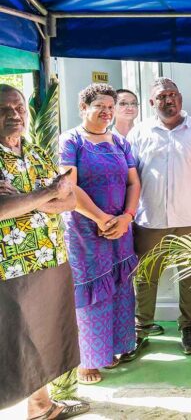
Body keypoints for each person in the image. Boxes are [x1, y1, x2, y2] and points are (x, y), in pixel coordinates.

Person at [0, 84, 88, 418]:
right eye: (4, 109)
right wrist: (46, 193)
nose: (14, 115)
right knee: (16, 339)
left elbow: (69, 200)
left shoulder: (36, 152)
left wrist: (25, 199)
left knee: (44, 334)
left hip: (49, 256)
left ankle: (41, 405)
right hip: (10, 266)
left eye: (18, 108)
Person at [128, 77, 191, 355]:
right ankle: (140, 327)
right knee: (145, 277)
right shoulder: (139, 132)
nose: (168, 101)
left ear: (180, 97)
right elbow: (129, 177)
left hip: (190, 218)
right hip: (149, 219)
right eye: (162, 96)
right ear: (152, 102)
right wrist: (129, 213)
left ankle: (188, 326)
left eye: (172, 95)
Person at [59, 84, 141, 384]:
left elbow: (134, 182)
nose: (107, 112)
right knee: (92, 293)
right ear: (84, 108)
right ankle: (87, 360)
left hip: (120, 229)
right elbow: (69, 185)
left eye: (111, 106)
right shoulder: (71, 140)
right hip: (86, 232)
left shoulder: (119, 140)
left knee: (120, 287)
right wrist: (102, 217)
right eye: (100, 107)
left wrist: (126, 218)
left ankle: (113, 350)